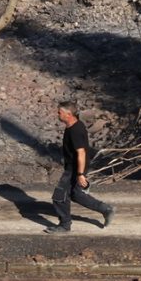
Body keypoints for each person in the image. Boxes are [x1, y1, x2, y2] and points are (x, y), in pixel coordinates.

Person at [46, 100, 115, 234]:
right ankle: (106, 209)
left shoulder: (75, 130)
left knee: (59, 196)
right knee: (76, 195)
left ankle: (64, 225)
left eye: (59, 112)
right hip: (75, 167)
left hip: (75, 168)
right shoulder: (73, 125)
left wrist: (80, 174)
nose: (57, 114)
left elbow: (81, 152)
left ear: (69, 114)